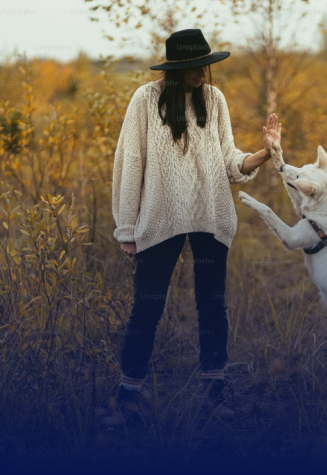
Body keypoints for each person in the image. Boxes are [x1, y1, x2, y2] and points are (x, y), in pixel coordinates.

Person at [104, 29, 281, 426]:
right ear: (176, 68)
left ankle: (214, 391)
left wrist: (265, 153)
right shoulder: (145, 100)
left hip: (209, 215)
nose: (202, 72)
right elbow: (130, 162)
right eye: (194, 67)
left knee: (212, 306)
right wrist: (126, 229)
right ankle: (127, 395)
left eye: (205, 65)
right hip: (159, 218)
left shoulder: (214, 100)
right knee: (147, 308)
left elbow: (228, 160)